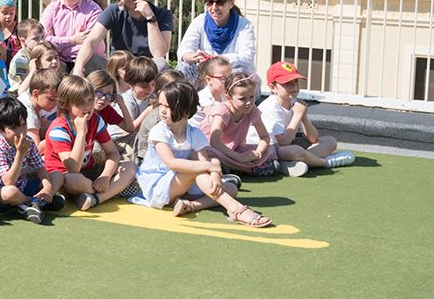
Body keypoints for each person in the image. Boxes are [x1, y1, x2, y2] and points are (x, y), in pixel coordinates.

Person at [133, 81, 272, 227]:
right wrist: (211, 167)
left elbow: (203, 161)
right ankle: (236, 210)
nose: (162, 110)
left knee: (231, 188)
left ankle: (191, 205)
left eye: (168, 106)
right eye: (161, 105)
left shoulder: (194, 133)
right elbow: (172, 163)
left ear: (185, 109)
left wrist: (215, 175)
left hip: (180, 184)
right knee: (197, 171)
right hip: (158, 185)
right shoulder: (159, 131)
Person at [43, 76, 137, 211]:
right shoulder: (59, 129)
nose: (87, 106)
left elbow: (112, 153)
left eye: (90, 100)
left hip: (88, 172)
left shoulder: (95, 119)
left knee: (130, 167)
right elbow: (73, 168)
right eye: (80, 102)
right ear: (66, 104)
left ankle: (95, 199)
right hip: (65, 178)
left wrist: (105, 176)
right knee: (72, 179)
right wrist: (81, 133)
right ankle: (106, 192)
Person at [254, 62, 357, 176]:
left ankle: (294, 163)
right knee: (295, 150)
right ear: (273, 88)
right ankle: (325, 162)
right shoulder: (271, 107)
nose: (294, 87)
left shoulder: (294, 102)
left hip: (286, 146)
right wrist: (297, 115)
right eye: (287, 83)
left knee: (330, 141)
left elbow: (313, 138)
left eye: (296, 82)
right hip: (269, 149)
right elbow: (283, 142)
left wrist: (303, 117)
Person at [0, 97, 62, 224]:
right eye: (14, 128)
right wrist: (20, 153)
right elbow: (8, 182)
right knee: (10, 192)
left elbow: (40, 167)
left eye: (23, 125)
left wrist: (47, 187)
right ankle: (35, 202)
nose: (21, 131)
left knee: (57, 175)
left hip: (21, 186)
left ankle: (38, 200)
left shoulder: (28, 141)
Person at [73, 0, 174, 76]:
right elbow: (91, 42)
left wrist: (150, 18)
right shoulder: (113, 10)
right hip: (116, 67)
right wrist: (78, 69)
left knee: (161, 64)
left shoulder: (163, 15)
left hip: (144, 71)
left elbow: (159, 53)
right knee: (89, 61)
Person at [199, 72, 278, 176]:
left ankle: (232, 167)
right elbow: (214, 142)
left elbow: (264, 137)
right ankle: (246, 169)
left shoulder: (252, 110)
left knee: (270, 149)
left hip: (234, 149)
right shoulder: (223, 111)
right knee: (210, 154)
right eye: (242, 99)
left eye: (251, 97)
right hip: (213, 149)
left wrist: (258, 153)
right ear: (229, 98)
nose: (249, 102)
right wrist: (240, 158)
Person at [178, 0, 257, 82]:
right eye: (210, 2)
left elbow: (246, 57)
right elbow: (184, 50)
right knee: (183, 67)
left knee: (243, 73)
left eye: (220, 2)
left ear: (231, 3)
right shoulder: (199, 21)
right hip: (204, 74)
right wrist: (194, 56)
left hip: (230, 75)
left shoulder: (245, 25)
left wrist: (216, 60)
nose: (214, 7)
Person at [40, 0, 105, 72]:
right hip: (60, 59)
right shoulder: (52, 9)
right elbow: (43, 38)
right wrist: (71, 40)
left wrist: (58, 43)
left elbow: (89, 43)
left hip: (88, 59)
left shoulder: (94, 10)